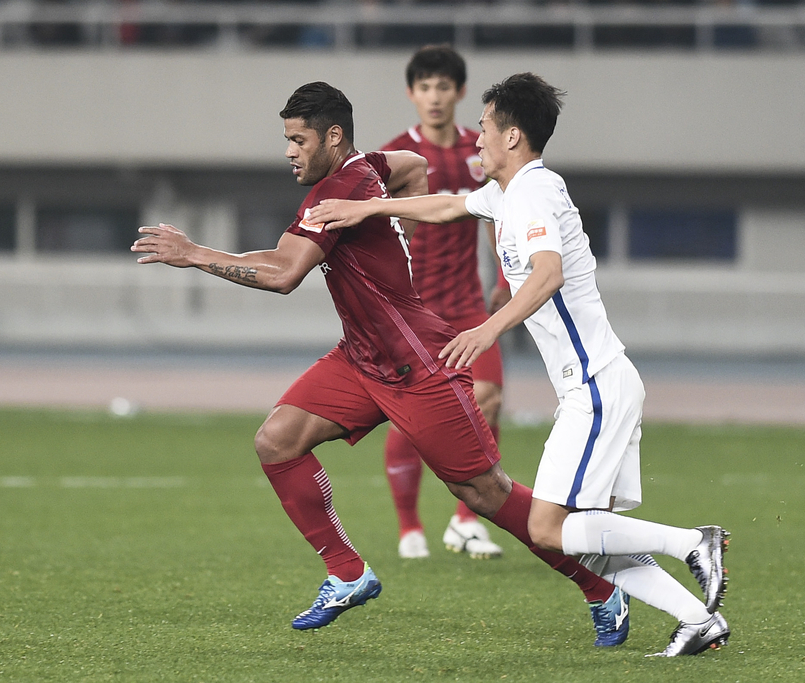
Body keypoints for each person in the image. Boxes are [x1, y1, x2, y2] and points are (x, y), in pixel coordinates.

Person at [132, 81, 631, 647]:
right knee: (277, 440)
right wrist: (394, 236)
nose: (290, 151)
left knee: (483, 492)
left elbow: (282, 273)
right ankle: (347, 573)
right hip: (361, 356)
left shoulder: (336, 192)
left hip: (415, 364)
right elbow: (414, 166)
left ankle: (601, 588)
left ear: (333, 136)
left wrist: (193, 253)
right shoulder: (368, 164)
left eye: (299, 140)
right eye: (287, 140)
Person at [307, 73, 730, 657]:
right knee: (583, 536)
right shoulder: (509, 191)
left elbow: (548, 272)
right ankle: (696, 618)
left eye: (482, 128)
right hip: (592, 387)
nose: (475, 139)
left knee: (548, 529)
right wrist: (370, 208)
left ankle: (692, 542)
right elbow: (448, 205)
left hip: (596, 386)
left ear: (512, 136)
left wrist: (485, 330)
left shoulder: (531, 192)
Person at [380, 44, 508, 561]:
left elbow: (503, 214)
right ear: (412, 94)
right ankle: (410, 526)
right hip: (410, 311)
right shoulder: (395, 155)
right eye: (424, 87)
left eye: (443, 87)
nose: (434, 97)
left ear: (458, 92)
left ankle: (464, 520)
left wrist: (505, 273)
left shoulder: (482, 151)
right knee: (410, 419)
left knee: (490, 397)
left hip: (468, 305)